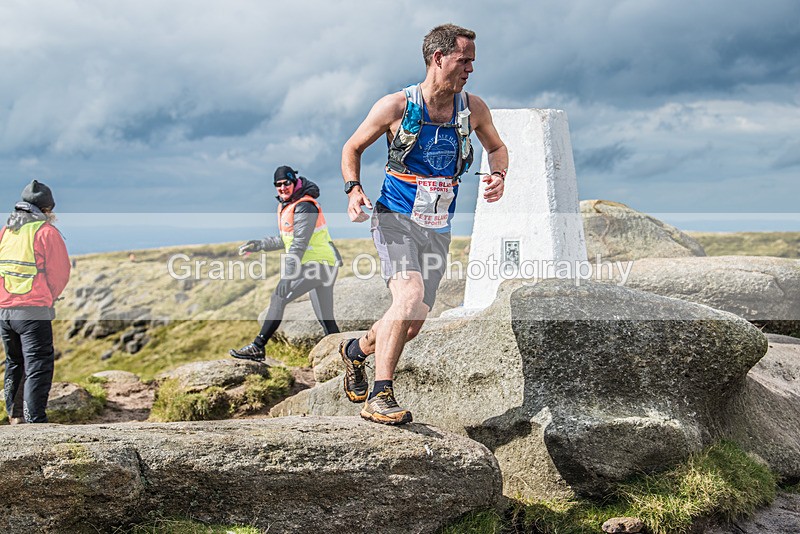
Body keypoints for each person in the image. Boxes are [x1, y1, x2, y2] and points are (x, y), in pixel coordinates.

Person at [340, 24, 508, 425]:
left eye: (472, 62)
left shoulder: (473, 109)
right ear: (438, 58)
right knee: (409, 294)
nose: (470, 69)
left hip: (438, 227)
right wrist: (353, 189)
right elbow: (352, 147)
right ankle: (380, 396)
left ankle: (356, 351)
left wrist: (499, 175)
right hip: (394, 218)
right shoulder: (396, 106)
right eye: (463, 60)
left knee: (412, 322)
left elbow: (497, 147)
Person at [230, 166, 341, 361]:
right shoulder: (288, 205)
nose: (282, 188)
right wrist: (259, 245)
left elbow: (299, 244)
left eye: (286, 183)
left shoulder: (305, 206)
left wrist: (288, 277)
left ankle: (258, 346)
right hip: (321, 265)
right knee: (326, 320)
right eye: (278, 184)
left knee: (278, 297)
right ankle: (344, 358)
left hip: (320, 265)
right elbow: (286, 239)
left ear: (294, 182)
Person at [0, 180, 70, 423]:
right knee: (38, 364)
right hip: (33, 310)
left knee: (14, 362)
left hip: (5, 311)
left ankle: (15, 416)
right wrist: (48, 297)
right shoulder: (46, 232)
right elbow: (60, 274)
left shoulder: (7, 231)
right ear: (47, 209)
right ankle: (35, 421)